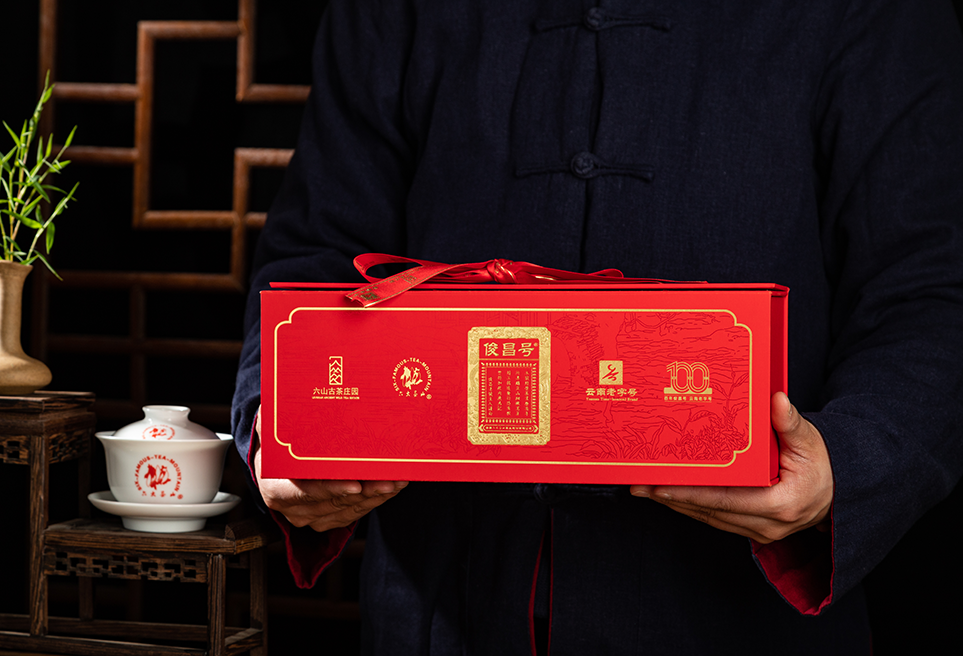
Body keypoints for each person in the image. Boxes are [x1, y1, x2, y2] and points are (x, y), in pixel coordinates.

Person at [232, 0, 963, 653]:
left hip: (737, 614)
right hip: (438, 604)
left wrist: (846, 464)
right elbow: (318, 247)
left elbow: (930, 287)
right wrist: (281, 422)